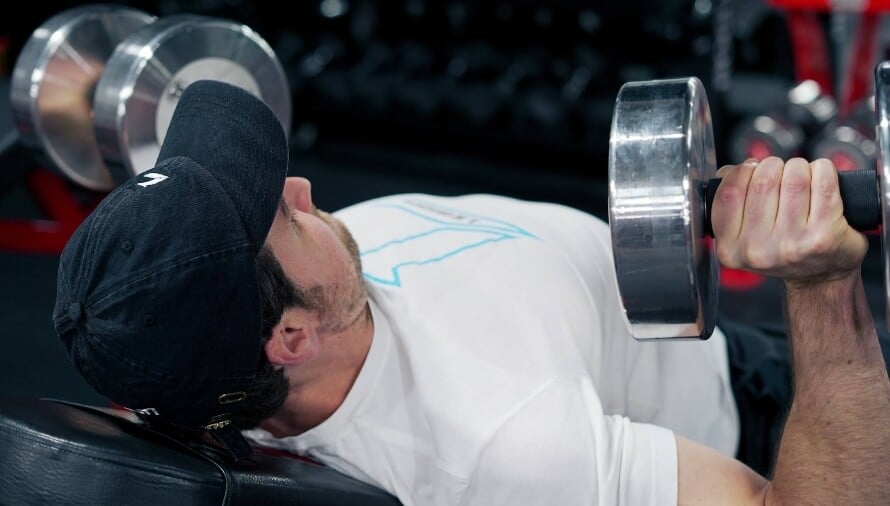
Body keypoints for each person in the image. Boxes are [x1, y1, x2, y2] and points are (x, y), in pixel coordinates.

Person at [53, 79, 889, 505]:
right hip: (784, 429)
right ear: (292, 339)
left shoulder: (269, 319)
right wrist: (822, 288)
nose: (305, 187)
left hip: (688, 336)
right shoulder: (500, 450)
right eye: (283, 213)